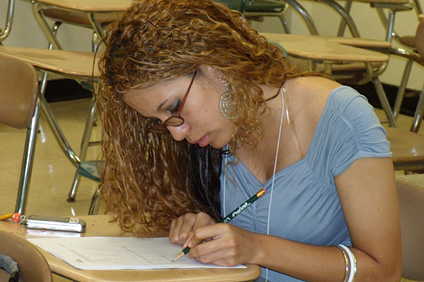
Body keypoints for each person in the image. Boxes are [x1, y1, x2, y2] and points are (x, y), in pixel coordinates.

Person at [97, 0, 402, 281]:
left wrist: (256, 248)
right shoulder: (207, 140)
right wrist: (201, 229)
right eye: (159, 122)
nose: (176, 132)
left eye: (175, 108)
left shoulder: (339, 117)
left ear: (215, 66)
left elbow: (384, 271)